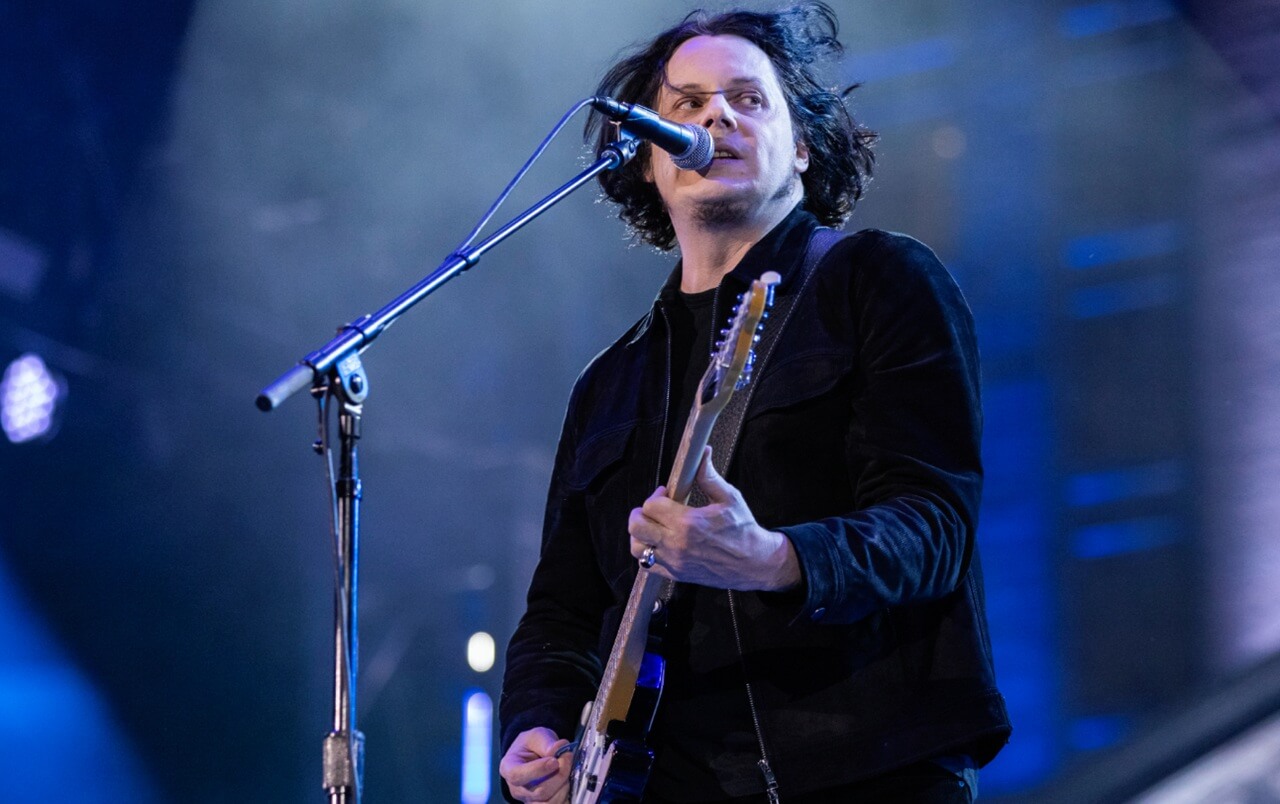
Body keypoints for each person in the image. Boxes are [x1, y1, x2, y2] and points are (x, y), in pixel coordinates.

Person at [498, 3, 1010, 801]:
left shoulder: (877, 281)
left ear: (802, 147)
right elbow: (560, 612)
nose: (717, 117)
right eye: (687, 105)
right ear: (646, 159)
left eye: (748, 99)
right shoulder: (609, 383)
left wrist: (776, 560)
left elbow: (933, 523)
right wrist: (539, 725)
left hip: (869, 771)